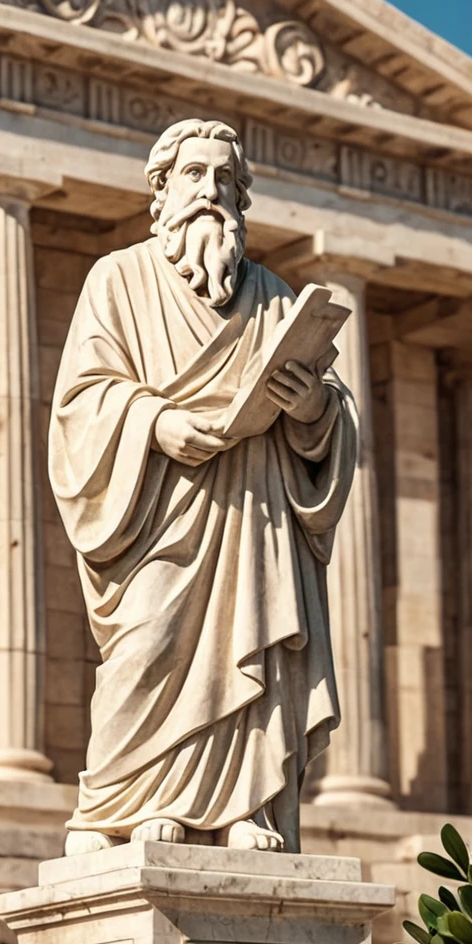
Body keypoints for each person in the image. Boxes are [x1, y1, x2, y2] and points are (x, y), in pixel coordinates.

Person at [49, 119, 357, 852]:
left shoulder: (273, 295)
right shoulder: (118, 280)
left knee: (253, 643)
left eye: (225, 179)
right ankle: (125, 804)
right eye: (194, 175)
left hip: (254, 516)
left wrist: (311, 405)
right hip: (161, 510)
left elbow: (331, 412)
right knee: (148, 646)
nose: (210, 192)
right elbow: (81, 399)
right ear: (161, 190)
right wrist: (154, 424)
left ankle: (241, 807)